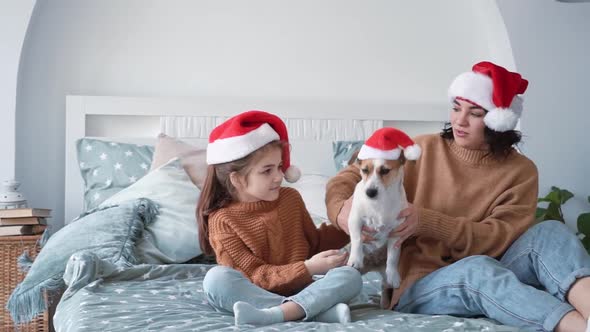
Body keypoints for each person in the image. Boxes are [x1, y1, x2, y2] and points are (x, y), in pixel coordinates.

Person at [326, 61, 590, 332]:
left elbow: (496, 238)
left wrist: (427, 221)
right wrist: (339, 209)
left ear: (497, 120)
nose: (459, 121)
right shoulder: (420, 150)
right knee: (476, 271)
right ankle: (577, 328)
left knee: (550, 232)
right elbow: (346, 179)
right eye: (455, 108)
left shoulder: (521, 171)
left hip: (494, 262)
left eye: (474, 113)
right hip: (419, 281)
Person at [197, 110, 362, 327]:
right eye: (267, 171)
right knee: (216, 280)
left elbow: (313, 243)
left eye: (279, 167)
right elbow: (255, 275)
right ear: (236, 179)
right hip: (252, 293)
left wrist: (350, 225)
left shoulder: (290, 199)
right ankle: (306, 310)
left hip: (302, 287)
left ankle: (278, 312)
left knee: (350, 276)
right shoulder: (223, 219)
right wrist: (308, 268)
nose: (278, 176)